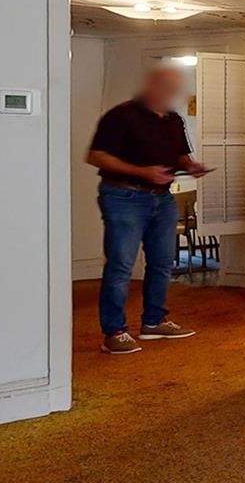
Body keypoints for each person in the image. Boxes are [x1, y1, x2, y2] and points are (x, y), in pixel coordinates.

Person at [86, 66, 209, 354]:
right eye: (167, 88)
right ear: (152, 85)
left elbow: (180, 155)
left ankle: (154, 322)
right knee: (121, 265)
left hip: (162, 199)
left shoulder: (173, 120)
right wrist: (142, 171)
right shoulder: (121, 115)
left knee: (162, 262)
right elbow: (96, 156)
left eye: (175, 89)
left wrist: (191, 166)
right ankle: (115, 332)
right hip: (123, 196)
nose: (172, 94)